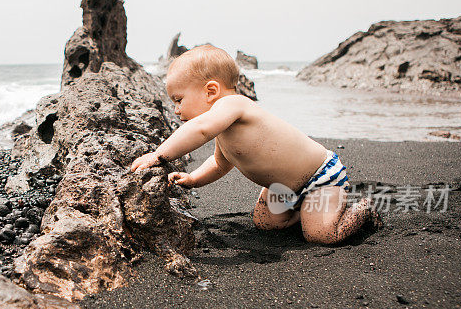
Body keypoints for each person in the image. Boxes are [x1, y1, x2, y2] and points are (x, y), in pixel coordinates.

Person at [130, 45, 381, 244]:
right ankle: (308, 211)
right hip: (281, 187)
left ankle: (363, 209)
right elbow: (219, 163)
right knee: (266, 223)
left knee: (322, 236)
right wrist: (194, 179)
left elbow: (200, 129)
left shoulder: (233, 105)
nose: (176, 110)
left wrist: (159, 155)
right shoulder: (225, 130)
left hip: (319, 177)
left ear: (210, 91)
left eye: (178, 100)